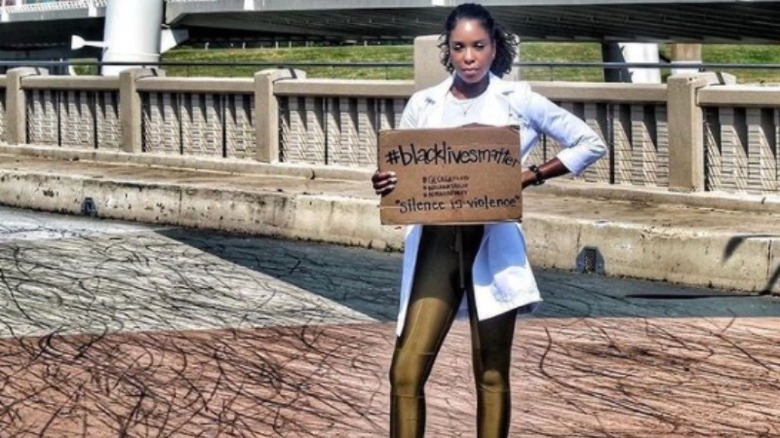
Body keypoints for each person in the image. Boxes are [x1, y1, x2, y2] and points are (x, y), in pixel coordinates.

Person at [372, 3, 607, 437]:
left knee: (493, 373)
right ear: (448, 50)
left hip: (494, 244)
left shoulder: (519, 101)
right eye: (459, 47)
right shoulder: (424, 104)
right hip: (436, 246)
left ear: (493, 47)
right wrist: (386, 181)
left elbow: (589, 142)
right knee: (405, 373)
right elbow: (400, 169)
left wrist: (529, 176)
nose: (469, 57)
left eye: (478, 46)